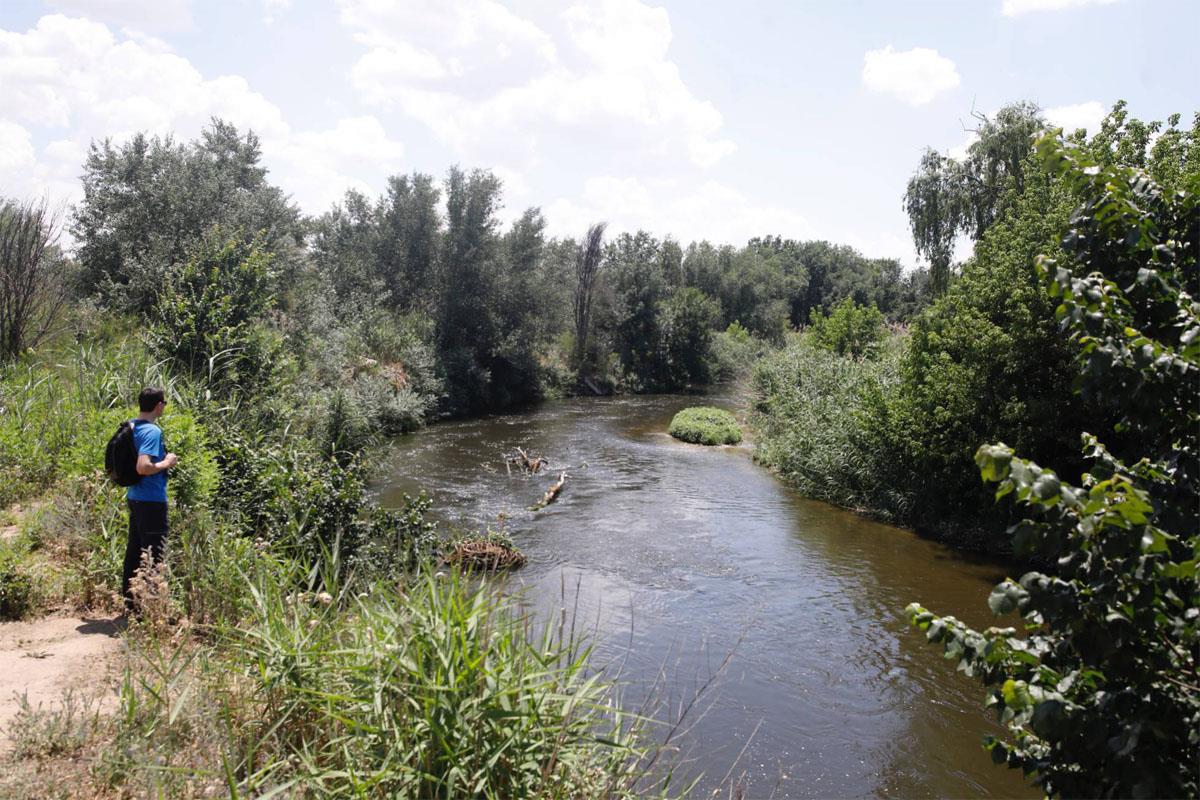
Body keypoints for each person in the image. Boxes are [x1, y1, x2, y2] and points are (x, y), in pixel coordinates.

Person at [121, 386, 179, 612]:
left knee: (135, 551)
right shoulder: (152, 431)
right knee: (154, 553)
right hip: (151, 500)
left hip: (134, 497)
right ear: (159, 405)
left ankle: (131, 604)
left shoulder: (131, 426)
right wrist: (167, 462)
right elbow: (143, 467)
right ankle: (153, 609)